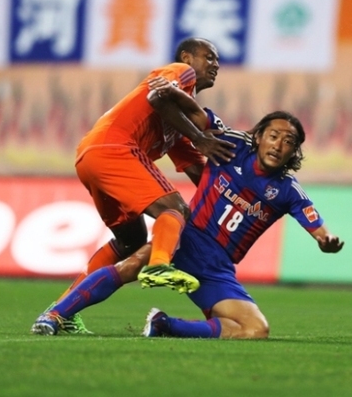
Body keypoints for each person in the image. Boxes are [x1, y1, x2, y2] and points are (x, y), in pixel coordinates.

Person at [31, 109, 344, 338]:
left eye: (288, 141)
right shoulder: (231, 145)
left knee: (255, 329)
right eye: (273, 136)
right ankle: (55, 314)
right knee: (132, 265)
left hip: (218, 267)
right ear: (259, 136)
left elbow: (318, 227)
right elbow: (192, 114)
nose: (278, 145)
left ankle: (165, 325)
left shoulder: (288, 190)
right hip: (189, 238)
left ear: (294, 151)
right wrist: (170, 96)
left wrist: (326, 240)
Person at [31, 38, 235, 335]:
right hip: (116, 147)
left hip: (90, 157)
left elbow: (198, 172)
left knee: (131, 241)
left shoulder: (177, 123)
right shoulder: (180, 72)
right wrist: (200, 137)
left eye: (217, 60)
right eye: (209, 57)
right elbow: (157, 96)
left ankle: (59, 312)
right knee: (176, 209)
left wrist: (234, 196)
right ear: (187, 57)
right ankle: (159, 265)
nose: (215, 64)